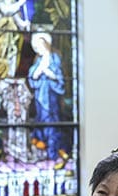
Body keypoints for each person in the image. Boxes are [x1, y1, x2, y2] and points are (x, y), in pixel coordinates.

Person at [28, 32, 69, 170]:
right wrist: (38, 72)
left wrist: (50, 74)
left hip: (52, 98)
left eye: (40, 44)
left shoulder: (55, 58)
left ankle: (54, 155)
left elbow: (60, 77)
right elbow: (32, 77)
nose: (38, 47)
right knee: (42, 121)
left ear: (46, 43)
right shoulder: (38, 61)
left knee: (52, 123)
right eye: (36, 45)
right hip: (40, 97)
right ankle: (45, 154)